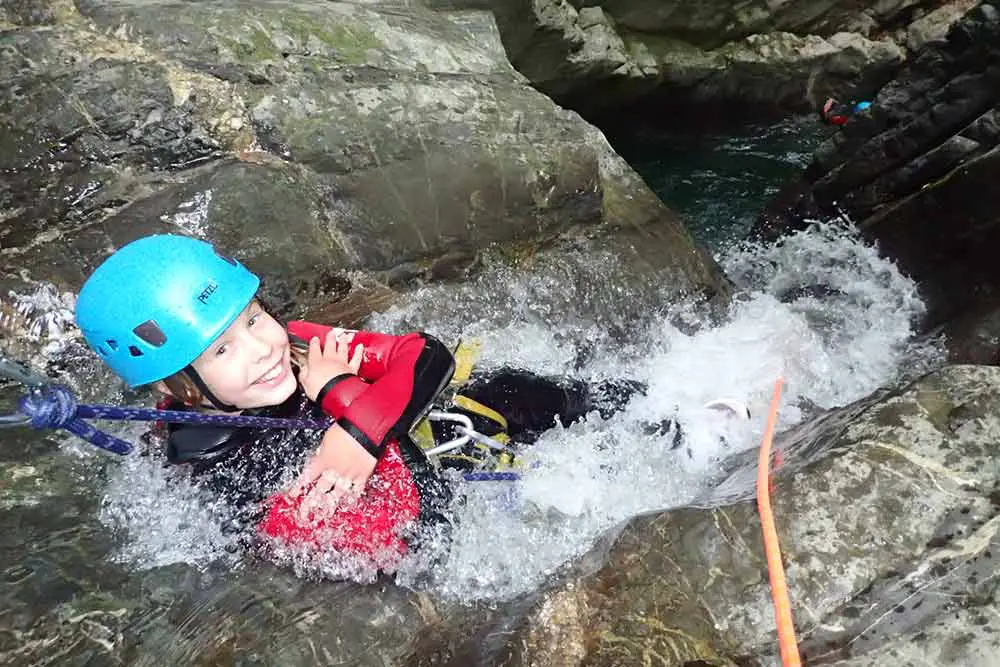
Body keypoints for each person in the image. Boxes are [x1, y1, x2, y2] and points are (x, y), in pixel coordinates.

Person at [75, 234, 715, 569]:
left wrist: (350, 423)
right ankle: (686, 456)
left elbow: (423, 354)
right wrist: (347, 406)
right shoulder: (223, 465)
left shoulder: (293, 344)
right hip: (439, 509)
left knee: (513, 388)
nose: (264, 347)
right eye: (221, 350)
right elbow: (413, 522)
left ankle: (667, 406)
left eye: (253, 316)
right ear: (177, 386)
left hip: (428, 442)